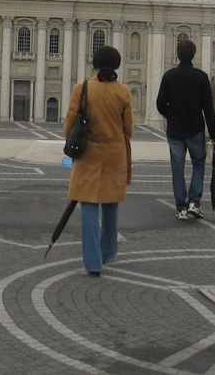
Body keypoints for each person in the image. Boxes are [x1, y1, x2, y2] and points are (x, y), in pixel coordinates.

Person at [64, 46, 133, 276]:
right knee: (111, 206)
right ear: (116, 65)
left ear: (94, 63)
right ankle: (109, 251)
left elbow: (70, 125)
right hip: (115, 155)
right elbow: (129, 129)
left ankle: (93, 262)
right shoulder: (123, 92)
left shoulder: (82, 89)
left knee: (89, 207)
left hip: (88, 156)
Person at [156, 39, 215, 220]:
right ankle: (194, 203)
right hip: (195, 129)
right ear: (194, 54)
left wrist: (171, 116)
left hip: (175, 129)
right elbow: (208, 108)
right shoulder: (201, 77)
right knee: (199, 164)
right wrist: (214, 135)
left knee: (177, 168)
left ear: (177, 54)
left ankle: (181, 207)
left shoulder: (169, 76)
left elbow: (160, 104)